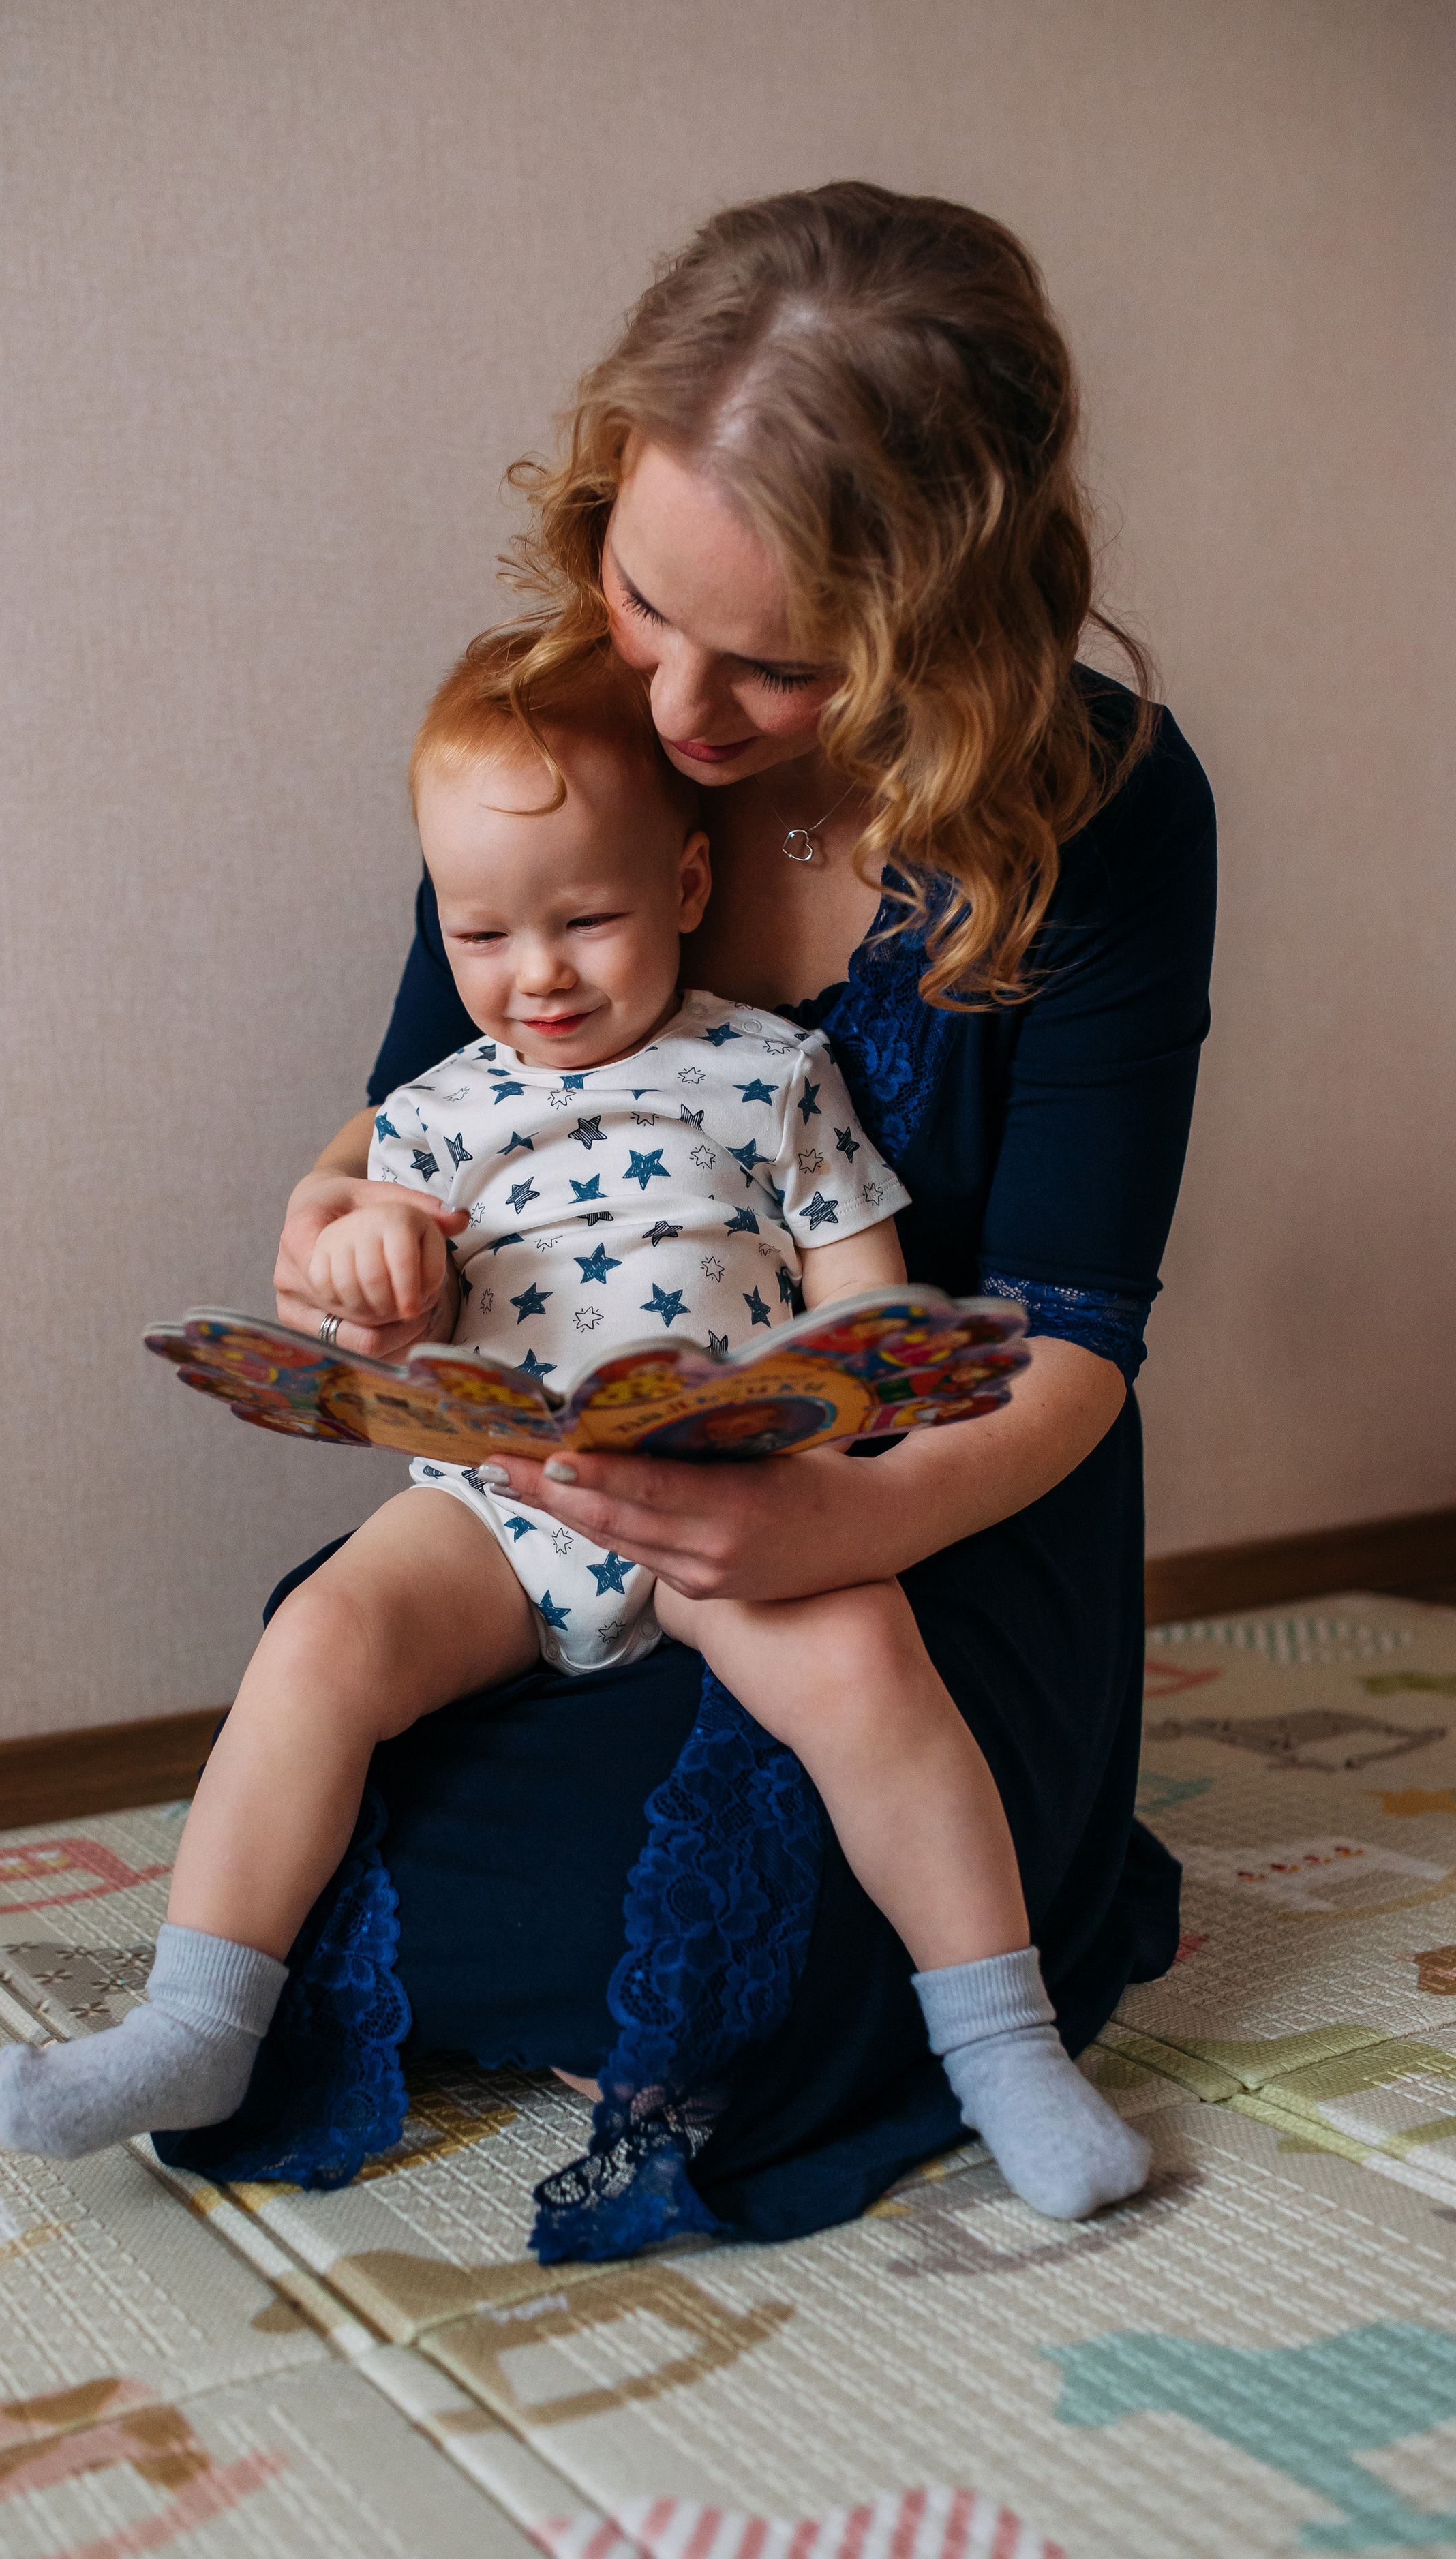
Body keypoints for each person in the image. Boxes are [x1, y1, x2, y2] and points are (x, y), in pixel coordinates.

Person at [145, 179, 1212, 2262]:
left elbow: (1078, 1335)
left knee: (785, 1961)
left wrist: (839, 1520)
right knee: (325, 1743)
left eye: (781, 665)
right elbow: (410, 1128)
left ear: (950, 624)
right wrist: (334, 1237)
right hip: (564, 1474)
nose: (684, 713)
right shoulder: (567, 733)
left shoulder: (1108, 808)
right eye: (647, 602)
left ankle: (964, 2006)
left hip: (934, 1506)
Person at [0, 648, 1150, 2222]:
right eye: (480, 931)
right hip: (495, 1500)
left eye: (583, 920)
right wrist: (362, 1280)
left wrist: (808, 1424)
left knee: (870, 1676)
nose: (534, 971)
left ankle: (1000, 2043)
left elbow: (860, 1314)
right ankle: (196, 2019)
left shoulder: (768, 1074)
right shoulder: (431, 1118)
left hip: (720, 1503)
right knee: (321, 1634)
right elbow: (358, 1312)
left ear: (683, 883)